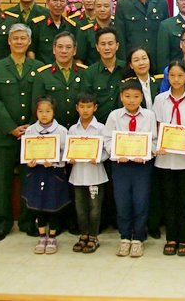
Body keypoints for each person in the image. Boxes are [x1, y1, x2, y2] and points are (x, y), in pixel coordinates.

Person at [0, 22, 44, 241]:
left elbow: (40, 99)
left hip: (31, 134)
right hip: (4, 134)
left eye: (23, 38)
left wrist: (32, 125)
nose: (19, 42)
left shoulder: (38, 67)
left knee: (29, 179)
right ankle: (2, 223)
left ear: (29, 41)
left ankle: (28, 221)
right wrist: (11, 127)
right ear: (9, 41)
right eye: (15, 38)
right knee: (2, 181)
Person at [152, 60, 185, 256]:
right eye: (172, 75)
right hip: (165, 159)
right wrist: (158, 145)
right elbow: (157, 126)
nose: (176, 79)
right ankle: (171, 238)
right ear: (167, 77)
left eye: (180, 75)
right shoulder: (160, 100)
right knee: (169, 199)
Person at [104, 80, 158, 258]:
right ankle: (125, 237)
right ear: (121, 97)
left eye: (136, 96)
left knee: (141, 201)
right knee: (122, 202)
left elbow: (154, 141)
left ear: (142, 97)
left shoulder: (149, 116)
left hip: (142, 166)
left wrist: (146, 153)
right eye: (127, 96)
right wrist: (116, 152)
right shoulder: (114, 116)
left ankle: (139, 238)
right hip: (121, 166)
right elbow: (107, 140)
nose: (132, 100)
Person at [22, 95, 70, 255]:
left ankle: (53, 237)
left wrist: (55, 162)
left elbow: (66, 153)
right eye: (40, 111)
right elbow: (26, 151)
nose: (44, 114)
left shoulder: (62, 131)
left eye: (48, 111)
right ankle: (42, 236)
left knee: (53, 205)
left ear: (54, 112)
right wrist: (28, 162)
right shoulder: (30, 130)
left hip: (54, 173)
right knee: (39, 205)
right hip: (36, 172)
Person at [67, 91, 110, 254]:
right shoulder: (73, 129)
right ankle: (83, 235)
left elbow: (107, 150)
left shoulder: (101, 128)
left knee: (95, 208)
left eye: (89, 106)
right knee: (80, 208)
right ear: (77, 108)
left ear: (95, 108)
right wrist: (69, 158)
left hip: (95, 175)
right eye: (82, 107)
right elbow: (68, 149)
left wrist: (99, 158)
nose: (85, 110)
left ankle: (93, 237)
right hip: (78, 175)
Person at [114, 0, 169, 65]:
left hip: (157, 59)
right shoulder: (123, 5)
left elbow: (166, 35)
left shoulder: (162, 3)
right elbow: (120, 37)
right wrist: (124, 64)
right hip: (134, 61)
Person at [32, 31, 88, 128]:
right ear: (54, 49)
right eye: (60, 47)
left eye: (68, 47)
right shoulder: (43, 74)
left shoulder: (85, 72)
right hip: (51, 129)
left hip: (79, 129)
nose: (64, 51)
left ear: (75, 50)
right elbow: (36, 106)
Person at [82, 28, 127, 123]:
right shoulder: (89, 73)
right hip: (98, 125)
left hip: (123, 124)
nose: (107, 48)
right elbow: (86, 101)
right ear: (97, 47)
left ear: (117, 46)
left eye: (110, 44)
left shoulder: (127, 69)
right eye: (103, 44)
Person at [30, 0, 78, 65]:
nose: (58, 4)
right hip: (43, 70)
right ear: (48, 2)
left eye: (62, 1)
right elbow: (31, 51)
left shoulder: (71, 26)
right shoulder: (37, 24)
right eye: (55, 0)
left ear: (66, 3)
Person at [75, 0, 116, 66]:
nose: (102, 9)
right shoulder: (85, 32)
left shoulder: (119, 29)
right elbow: (79, 60)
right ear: (94, 9)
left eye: (106, 6)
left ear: (112, 8)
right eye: (99, 6)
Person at [125, 45, 159, 110]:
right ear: (131, 65)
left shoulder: (159, 82)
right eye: (136, 60)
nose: (141, 63)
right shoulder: (128, 86)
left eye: (144, 58)